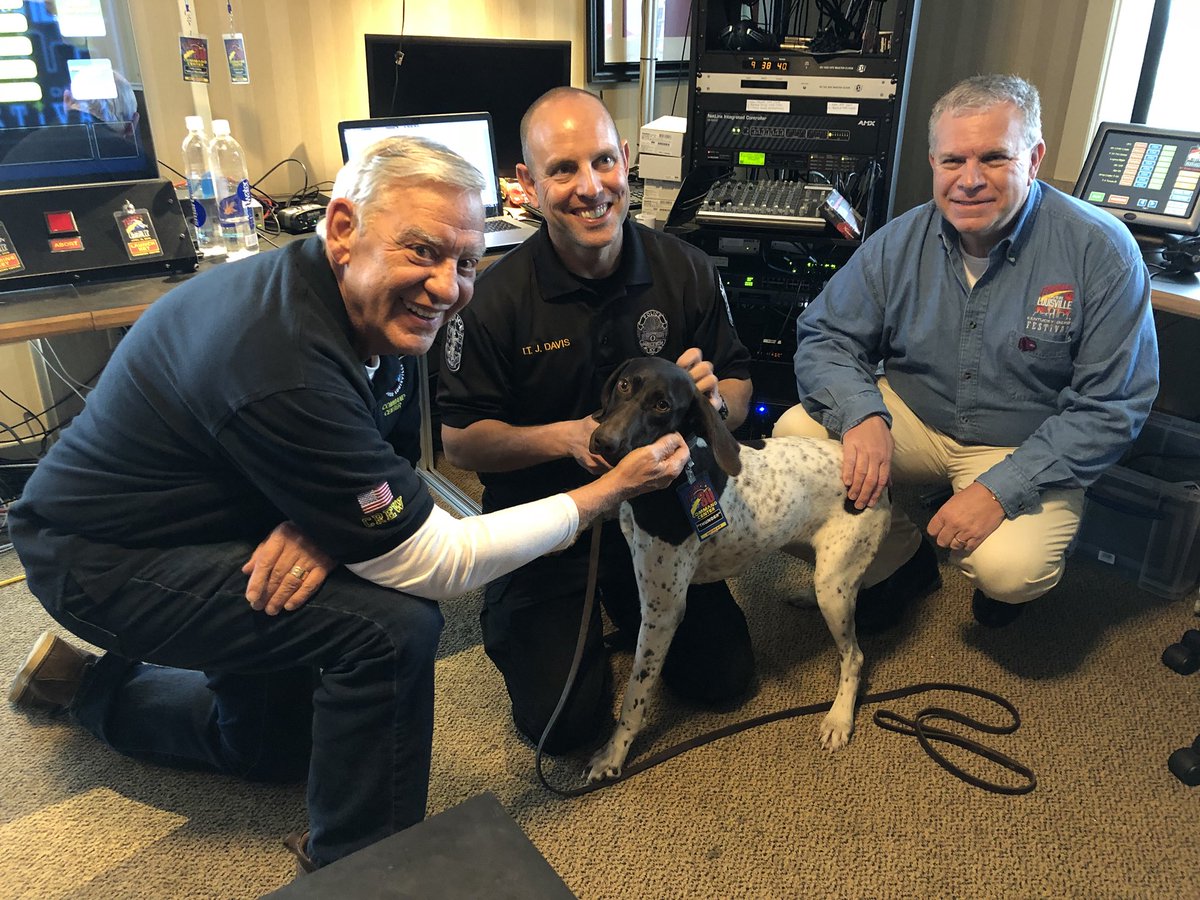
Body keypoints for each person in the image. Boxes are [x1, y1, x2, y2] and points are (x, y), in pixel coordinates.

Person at [6, 136, 690, 872]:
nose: (449, 288)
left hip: (228, 507)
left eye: (464, 263)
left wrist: (326, 520)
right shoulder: (283, 357)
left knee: (274, 750)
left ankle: (87, 685)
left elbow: (381, 454)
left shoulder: (365, 308)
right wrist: (603, 493)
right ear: (341, 229)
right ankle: (356, 871)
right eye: (423, 251)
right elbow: (438, 562)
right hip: (99, 555)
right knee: (390, 627)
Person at [773, 73, 1159, 630]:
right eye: (953, 161)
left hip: (1023, 440)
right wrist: (861, 415)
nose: (970, 180)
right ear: (933, 163)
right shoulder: (899, 241)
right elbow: (825, 335)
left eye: (995, 158)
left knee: (1010, 570)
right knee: (793, 443)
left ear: (1034, 159)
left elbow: (1112, 406)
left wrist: (1000, 490)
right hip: (915, 415)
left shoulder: (1100, 251)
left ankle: (999, 581)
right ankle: (899, 560)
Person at [436, 87, 755, 755]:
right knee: (568, 728)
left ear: (627, 161)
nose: (591, 187)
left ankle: (623, 607)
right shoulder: (493, 300)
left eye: (604, 161)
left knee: (724, 679)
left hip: (665, 512)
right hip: (552, 521)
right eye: (563, 170)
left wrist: (712, 403)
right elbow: (460, 442)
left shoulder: (686, 270)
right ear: (526, 184)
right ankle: (556, 622)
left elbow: (739, 384)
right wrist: (567, 438)